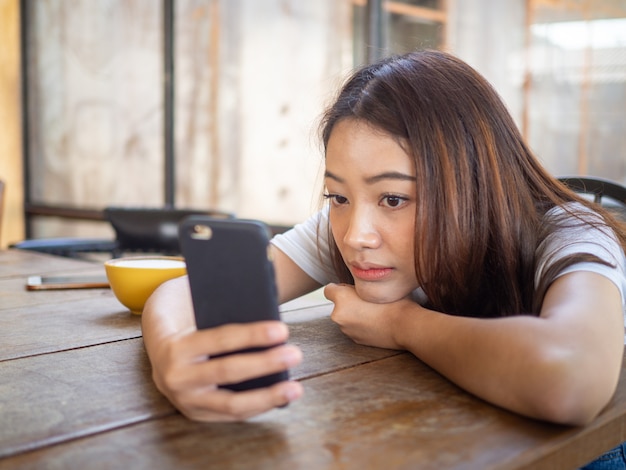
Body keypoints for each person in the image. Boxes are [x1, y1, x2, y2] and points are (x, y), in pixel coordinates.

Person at [142, 50, 626, 467]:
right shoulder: (350, 227)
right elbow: (177, 293)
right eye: (337, 196)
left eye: (393, 199)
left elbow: (571, 377)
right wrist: (170, 358)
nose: (356, 237)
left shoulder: (567, 234)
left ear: (470, 186)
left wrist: (400, 324)